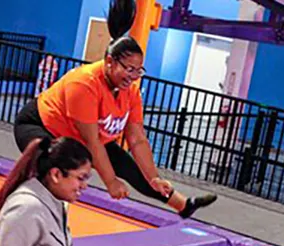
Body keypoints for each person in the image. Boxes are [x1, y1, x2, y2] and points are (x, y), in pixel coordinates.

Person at [13, 0, 217, 220]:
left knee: (132, 169)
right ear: (109, 62)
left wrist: (153, 177)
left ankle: (184, 205)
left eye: (138, 71)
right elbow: (92, 143)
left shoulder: (130, 92)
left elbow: (137, 139)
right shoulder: (84, 85)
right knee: (59, 166)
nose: (132, 76)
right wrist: (110, 182)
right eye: (128, 69)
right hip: (40, 126)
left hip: (78, 136)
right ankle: (29, 208)